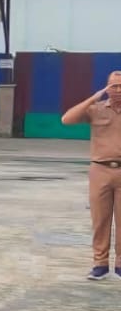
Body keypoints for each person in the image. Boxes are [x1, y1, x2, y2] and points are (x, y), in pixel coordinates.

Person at [61, 70, 121, 279]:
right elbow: (67, 119)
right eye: (114, 86)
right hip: (100, 170)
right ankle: (100, 264)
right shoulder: (96, 109)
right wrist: (93, 98)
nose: (118, 90)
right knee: (100, 220)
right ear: (107, 88)